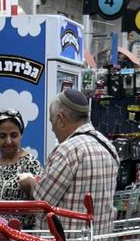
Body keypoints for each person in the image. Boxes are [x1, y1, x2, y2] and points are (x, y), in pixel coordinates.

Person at [24, 89, 118, 233]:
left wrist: (29, 182)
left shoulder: (67, 151)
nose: (53, 129)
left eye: (52, 122)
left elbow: (41, 202)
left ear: (61, 119)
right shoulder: (108, 147)